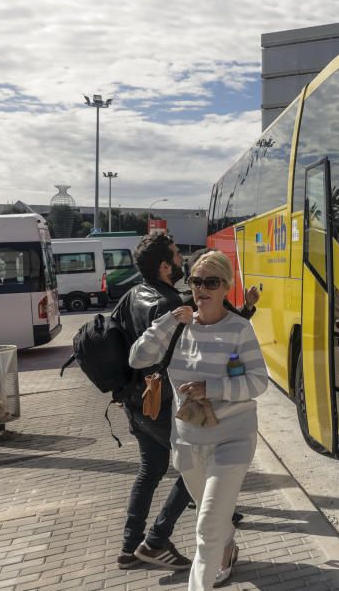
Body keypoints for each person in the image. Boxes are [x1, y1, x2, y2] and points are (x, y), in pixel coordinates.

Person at [112, 235, 258, 571]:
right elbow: (227, 330)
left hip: (136, 402)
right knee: (193, 465)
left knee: (151, 470)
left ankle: (130, 545)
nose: (183, 263)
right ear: (166, 266)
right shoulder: (175, 306)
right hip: (170, 404)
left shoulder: (129, 296)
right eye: (179, 257)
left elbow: (116, 342)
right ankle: (158, 541)